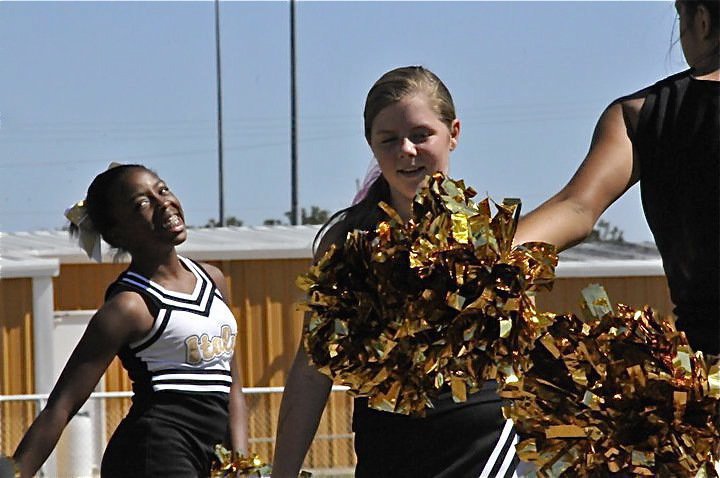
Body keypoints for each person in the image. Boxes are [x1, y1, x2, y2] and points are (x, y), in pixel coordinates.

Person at [273, 66, 523, 478]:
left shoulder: (489, 234)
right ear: (371, 145)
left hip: (480, 445)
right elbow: (313, 365)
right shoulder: (348, 239)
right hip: (386, 448)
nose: (406, 150)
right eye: (389, 140)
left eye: (421, 134)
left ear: (454, 132)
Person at [12, 164, 248, 477]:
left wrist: (242, 464)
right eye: (143, 203)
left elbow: (233, 387)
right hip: (154, 454)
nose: (164, 203)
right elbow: (62, 405)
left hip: (209, 456)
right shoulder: (128, 306)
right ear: (116, 233)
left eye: (162, 190)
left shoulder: (213, 279)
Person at [514, 0, 719, 356]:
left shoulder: (640, 114)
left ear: (701, 20)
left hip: (705, 382)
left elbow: (576, 207)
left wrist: (478, 264)